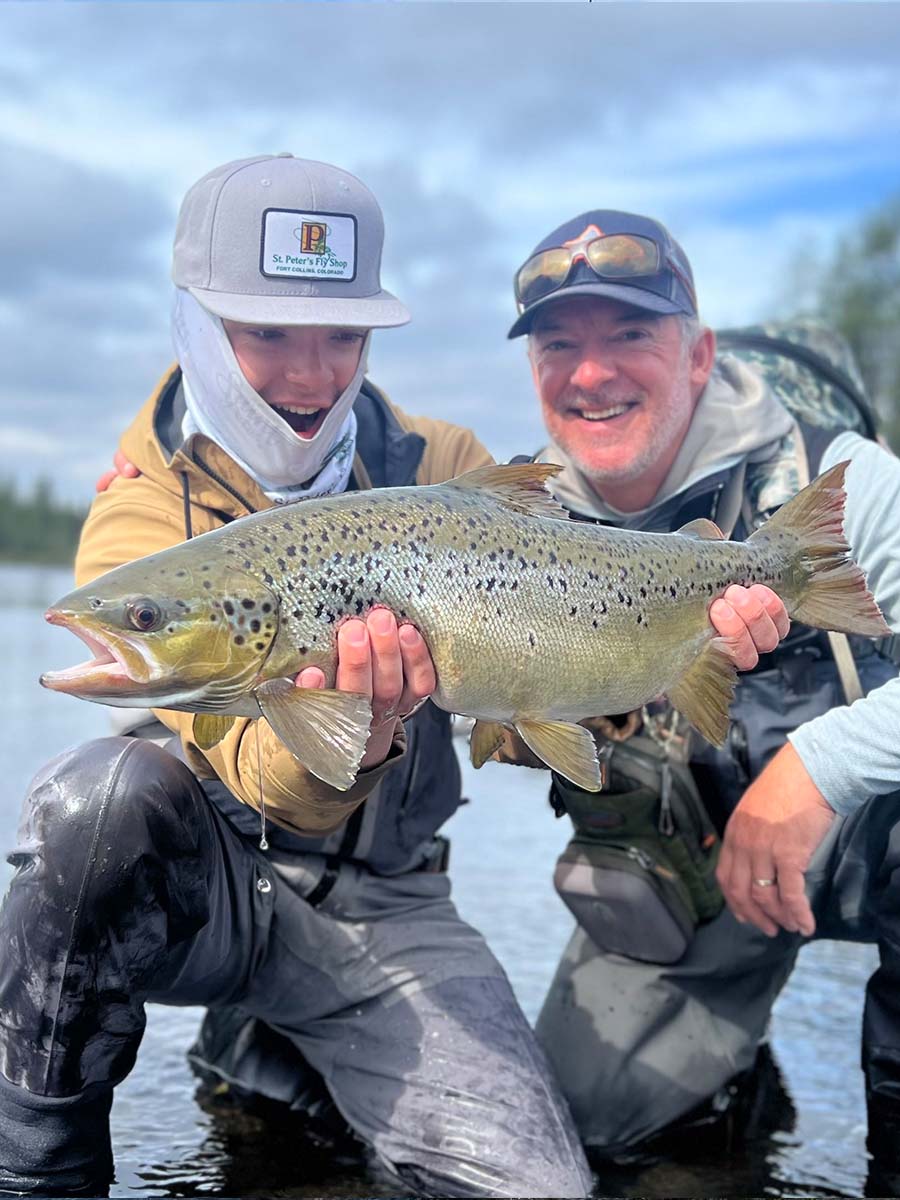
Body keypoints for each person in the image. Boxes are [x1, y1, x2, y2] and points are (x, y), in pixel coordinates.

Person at [0, 159, 783, 1200]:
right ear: (196, 326)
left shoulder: (438, 459)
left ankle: (283, 1060)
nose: (311, 374)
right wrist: (355, 725)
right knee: (89, 803)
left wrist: (682, 633)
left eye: (343, 336)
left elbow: (552, 621)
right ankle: (35, 1171)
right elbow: (261, 773)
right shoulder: (143, 514)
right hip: (207, 903)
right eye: (267, 333)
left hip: (389, 913)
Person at [503, 208, 900, 1188]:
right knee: (581, 1137)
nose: (591, 375)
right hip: (699, 880)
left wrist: (817, 765)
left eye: (630, 336)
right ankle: (735, 1096)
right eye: (561, 346)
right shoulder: (523, 518)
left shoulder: (842, 484)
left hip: (870, 840)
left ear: (697, 356)